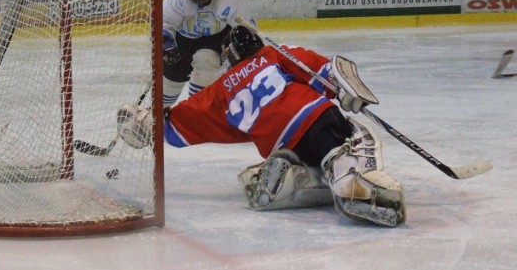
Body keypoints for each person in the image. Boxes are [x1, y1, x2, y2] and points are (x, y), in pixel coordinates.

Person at [118, 26, 405, 227]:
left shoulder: (219, 92)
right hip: (313, 118)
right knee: (352, 135)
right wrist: (348, 88)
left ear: (230, 56)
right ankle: (347, 176)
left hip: (278, 143)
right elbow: (325, 70)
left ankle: (298, 174)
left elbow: (180, 124)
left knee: (308, 158)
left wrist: (148, 124)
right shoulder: (276, 55)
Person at [162, 0, 256, 107]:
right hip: (183, 38)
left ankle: (196, 111)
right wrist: (167, 45)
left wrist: (246, 46)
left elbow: (247, 27)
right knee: (171, 81)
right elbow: (164, 24)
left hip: (214, 38)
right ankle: (158, 115)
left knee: (206, 63)